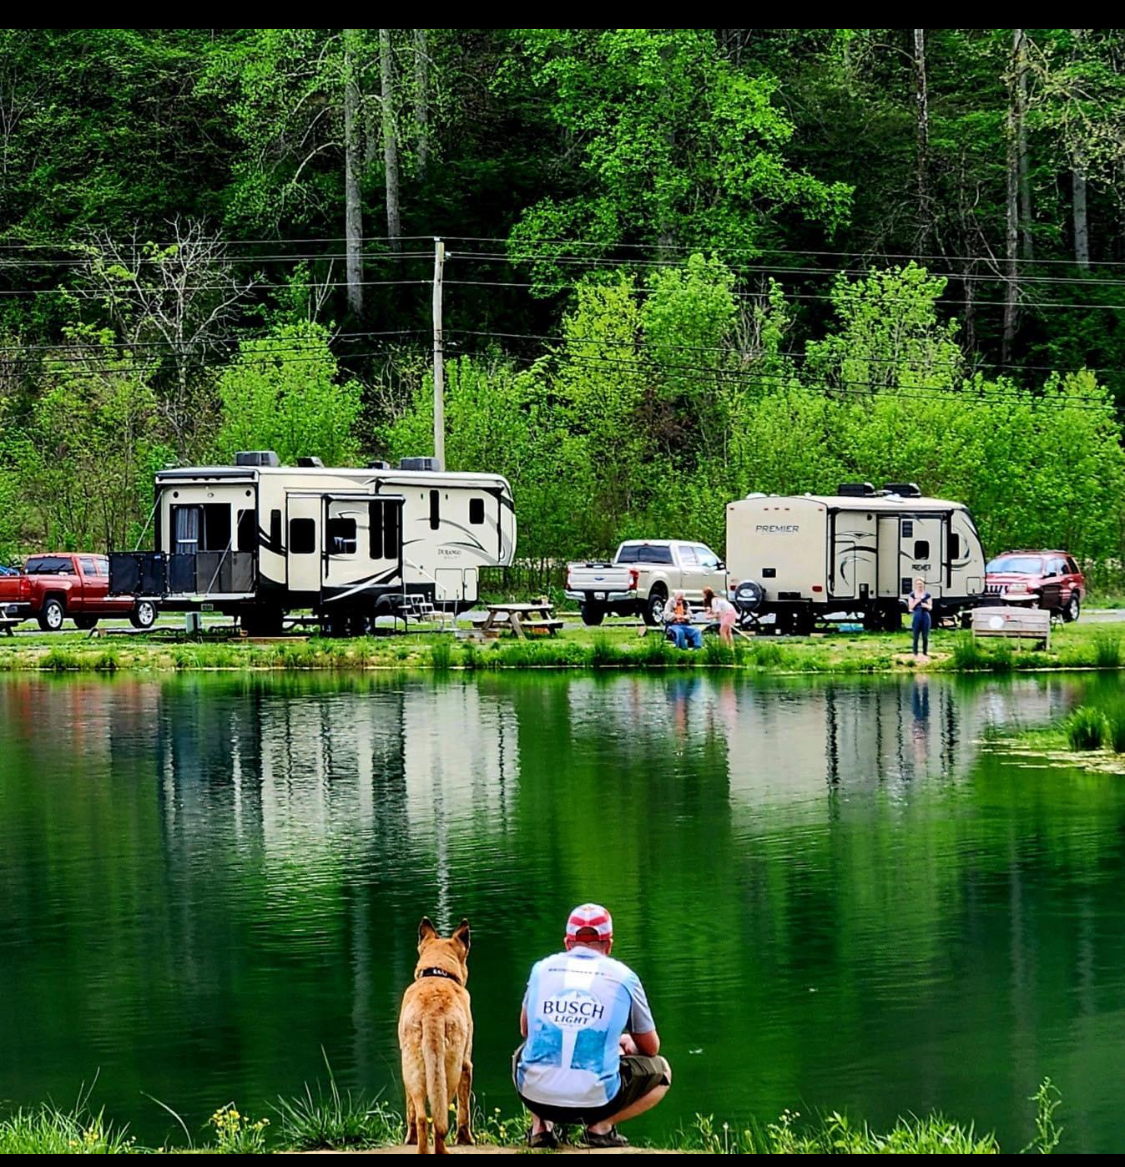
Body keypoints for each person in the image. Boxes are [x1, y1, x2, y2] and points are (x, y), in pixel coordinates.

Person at [514, 905, 671, 1150]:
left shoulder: (541, 969)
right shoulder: (624, 977)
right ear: (609, 945)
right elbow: (651, 1048)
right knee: (663, 1072)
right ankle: (601, 1127)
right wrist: (626, 1041)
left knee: (523, 1052)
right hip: (597, 1102)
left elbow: (525, 1029)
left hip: (535, 1096)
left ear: (568, 943)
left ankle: (541, 1128)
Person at [908, 577, 933, 658]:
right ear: (915, 585)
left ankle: (925, 652)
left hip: (925, 614)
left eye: (921, 584)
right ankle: (915, 653)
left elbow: (930, 607)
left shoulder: (927, 595)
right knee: (915, 635)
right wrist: (917, 601)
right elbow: (910, 607)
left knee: (925, 636)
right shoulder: (912, 595)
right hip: (916, 614)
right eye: (918, 584)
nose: (920, 586)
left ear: (924, 585)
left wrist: (925, 605)